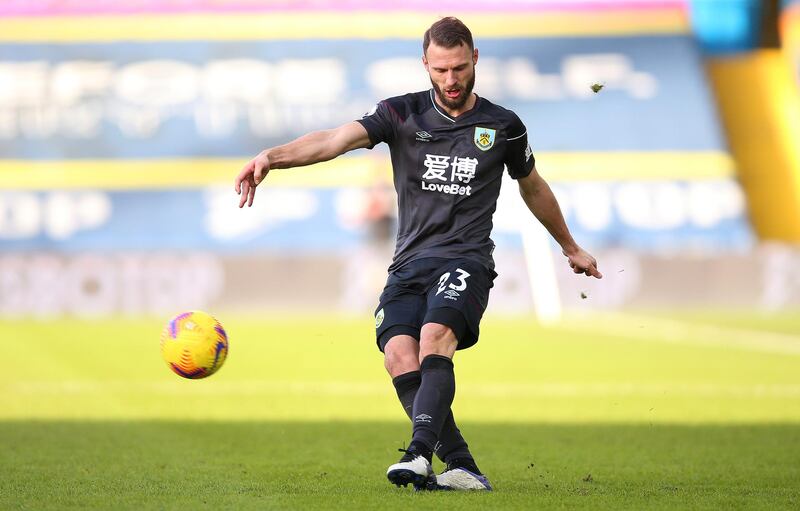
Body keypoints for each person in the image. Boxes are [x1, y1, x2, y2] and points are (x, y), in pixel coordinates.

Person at [234, 16, 602, 492]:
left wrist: (570, 246)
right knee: (398, 355)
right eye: (441, 70)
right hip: (409, 263)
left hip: (467, 258)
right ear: (425, 64)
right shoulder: (400, 114)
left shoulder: (503, 126)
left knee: (435, 335)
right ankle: (464, 467)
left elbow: (532, 187)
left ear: (475, 59)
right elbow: (333, 140)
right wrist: (272, 157)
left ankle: (417, 455)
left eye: (460, 68)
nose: (451, 80)